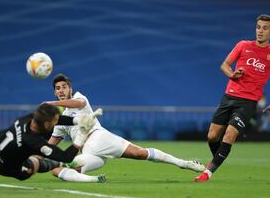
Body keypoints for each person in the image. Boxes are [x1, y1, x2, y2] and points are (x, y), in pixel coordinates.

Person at [44, 74, 205, 183]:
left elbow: (78, 104)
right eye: (58, 88)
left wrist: (52, 104)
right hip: (89, 152)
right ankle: (94, 181)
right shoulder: (60, 120)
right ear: (54, 92)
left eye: (64, 87)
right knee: (57, 170)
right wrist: (33, 157)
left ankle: (184, 163)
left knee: (140, 153)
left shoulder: (79, 97)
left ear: (70, 89)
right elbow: (50, 146)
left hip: (98, 138)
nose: (61, 90)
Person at [194, 14, 270, 182]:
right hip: (229, 97)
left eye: (265, 28)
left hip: (248, 102)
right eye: (258, 27)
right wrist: (232, 75)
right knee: (212, 137)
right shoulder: (243, 45)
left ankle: (207, 173)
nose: (260, 31)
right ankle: (218, 159)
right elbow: (224, 65)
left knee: (229, 135)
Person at [0, 103, 105, 183]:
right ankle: (54, 165)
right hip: (4, 167)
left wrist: (78, 120)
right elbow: (66, 155)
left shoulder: (27, 119)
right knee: (33, 163)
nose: (57, 122)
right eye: (54, 121)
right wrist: (81, 137)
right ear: (48, 124)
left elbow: (54, 119)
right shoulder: (33, 142)